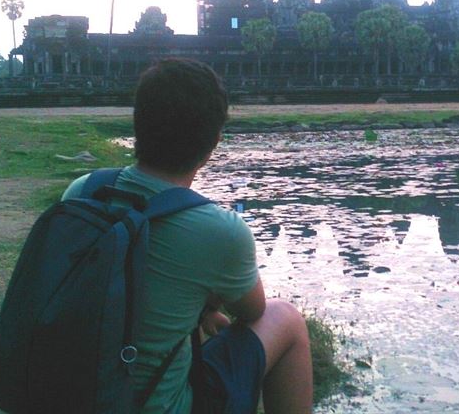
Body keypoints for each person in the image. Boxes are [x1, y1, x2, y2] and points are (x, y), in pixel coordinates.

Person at [61, 58, 313, 413]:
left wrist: (196, 308)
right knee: (286, 319)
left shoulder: (83, 191)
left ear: (139, 124)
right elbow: (252, 310)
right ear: (214, 143)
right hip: (158, 406)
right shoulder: (220, 231)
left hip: (70, 395)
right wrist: (208, 301)